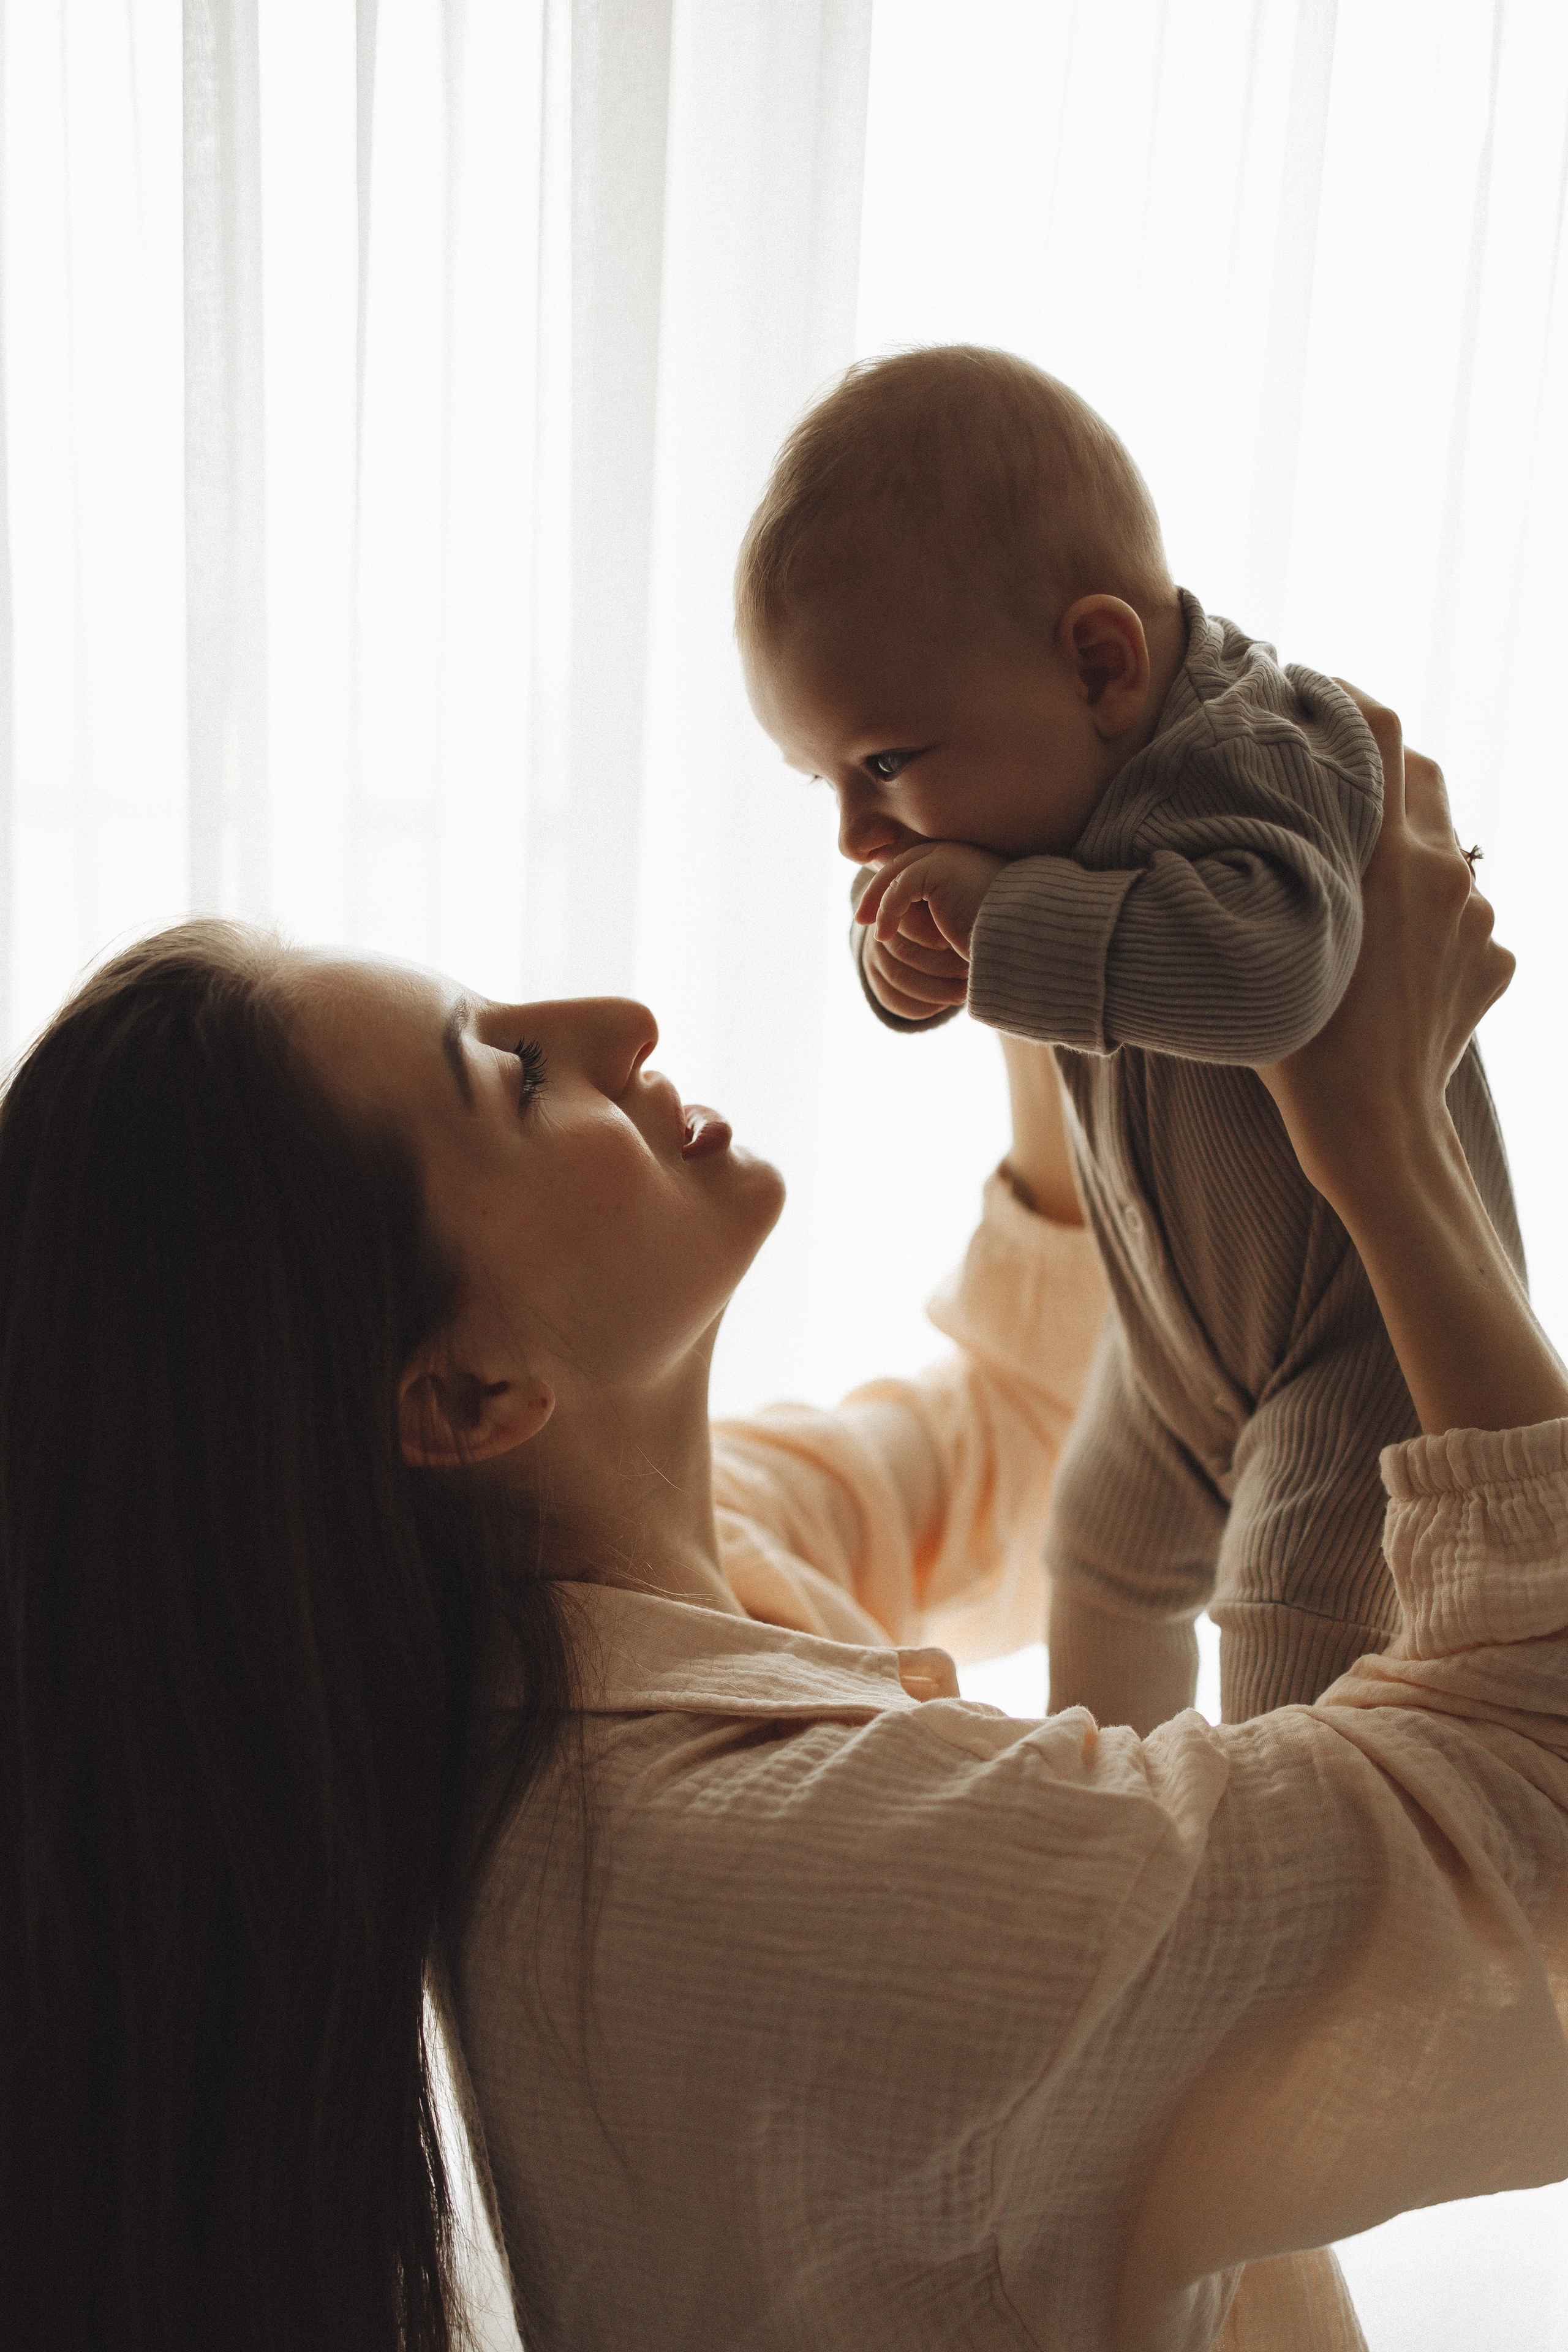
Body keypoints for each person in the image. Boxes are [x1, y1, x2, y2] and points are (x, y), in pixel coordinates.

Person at [2, 710, 1566, 2352]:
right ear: (462, 1396)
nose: (618, 1019)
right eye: (514, 1078)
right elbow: (1524, 1823)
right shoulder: (772, 1874)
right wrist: (1393, 1144)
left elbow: (1019, 1428)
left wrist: (1019, 911)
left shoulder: (651, 1577)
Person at [735, 345, 1522, 1730]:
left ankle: (1261, 1860)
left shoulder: (1269, 746)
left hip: (1351, 1347)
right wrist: (919, 960)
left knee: (1286, 1626)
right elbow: (1021, 954)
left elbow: (1271, 973)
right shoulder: (1048, 795)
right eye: (823, 784)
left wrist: (1002, 920)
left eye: (882, 765)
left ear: (1100, 663)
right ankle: (1114, 1814)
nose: (856, 835)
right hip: (1168, 1333)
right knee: (1093, 1562)